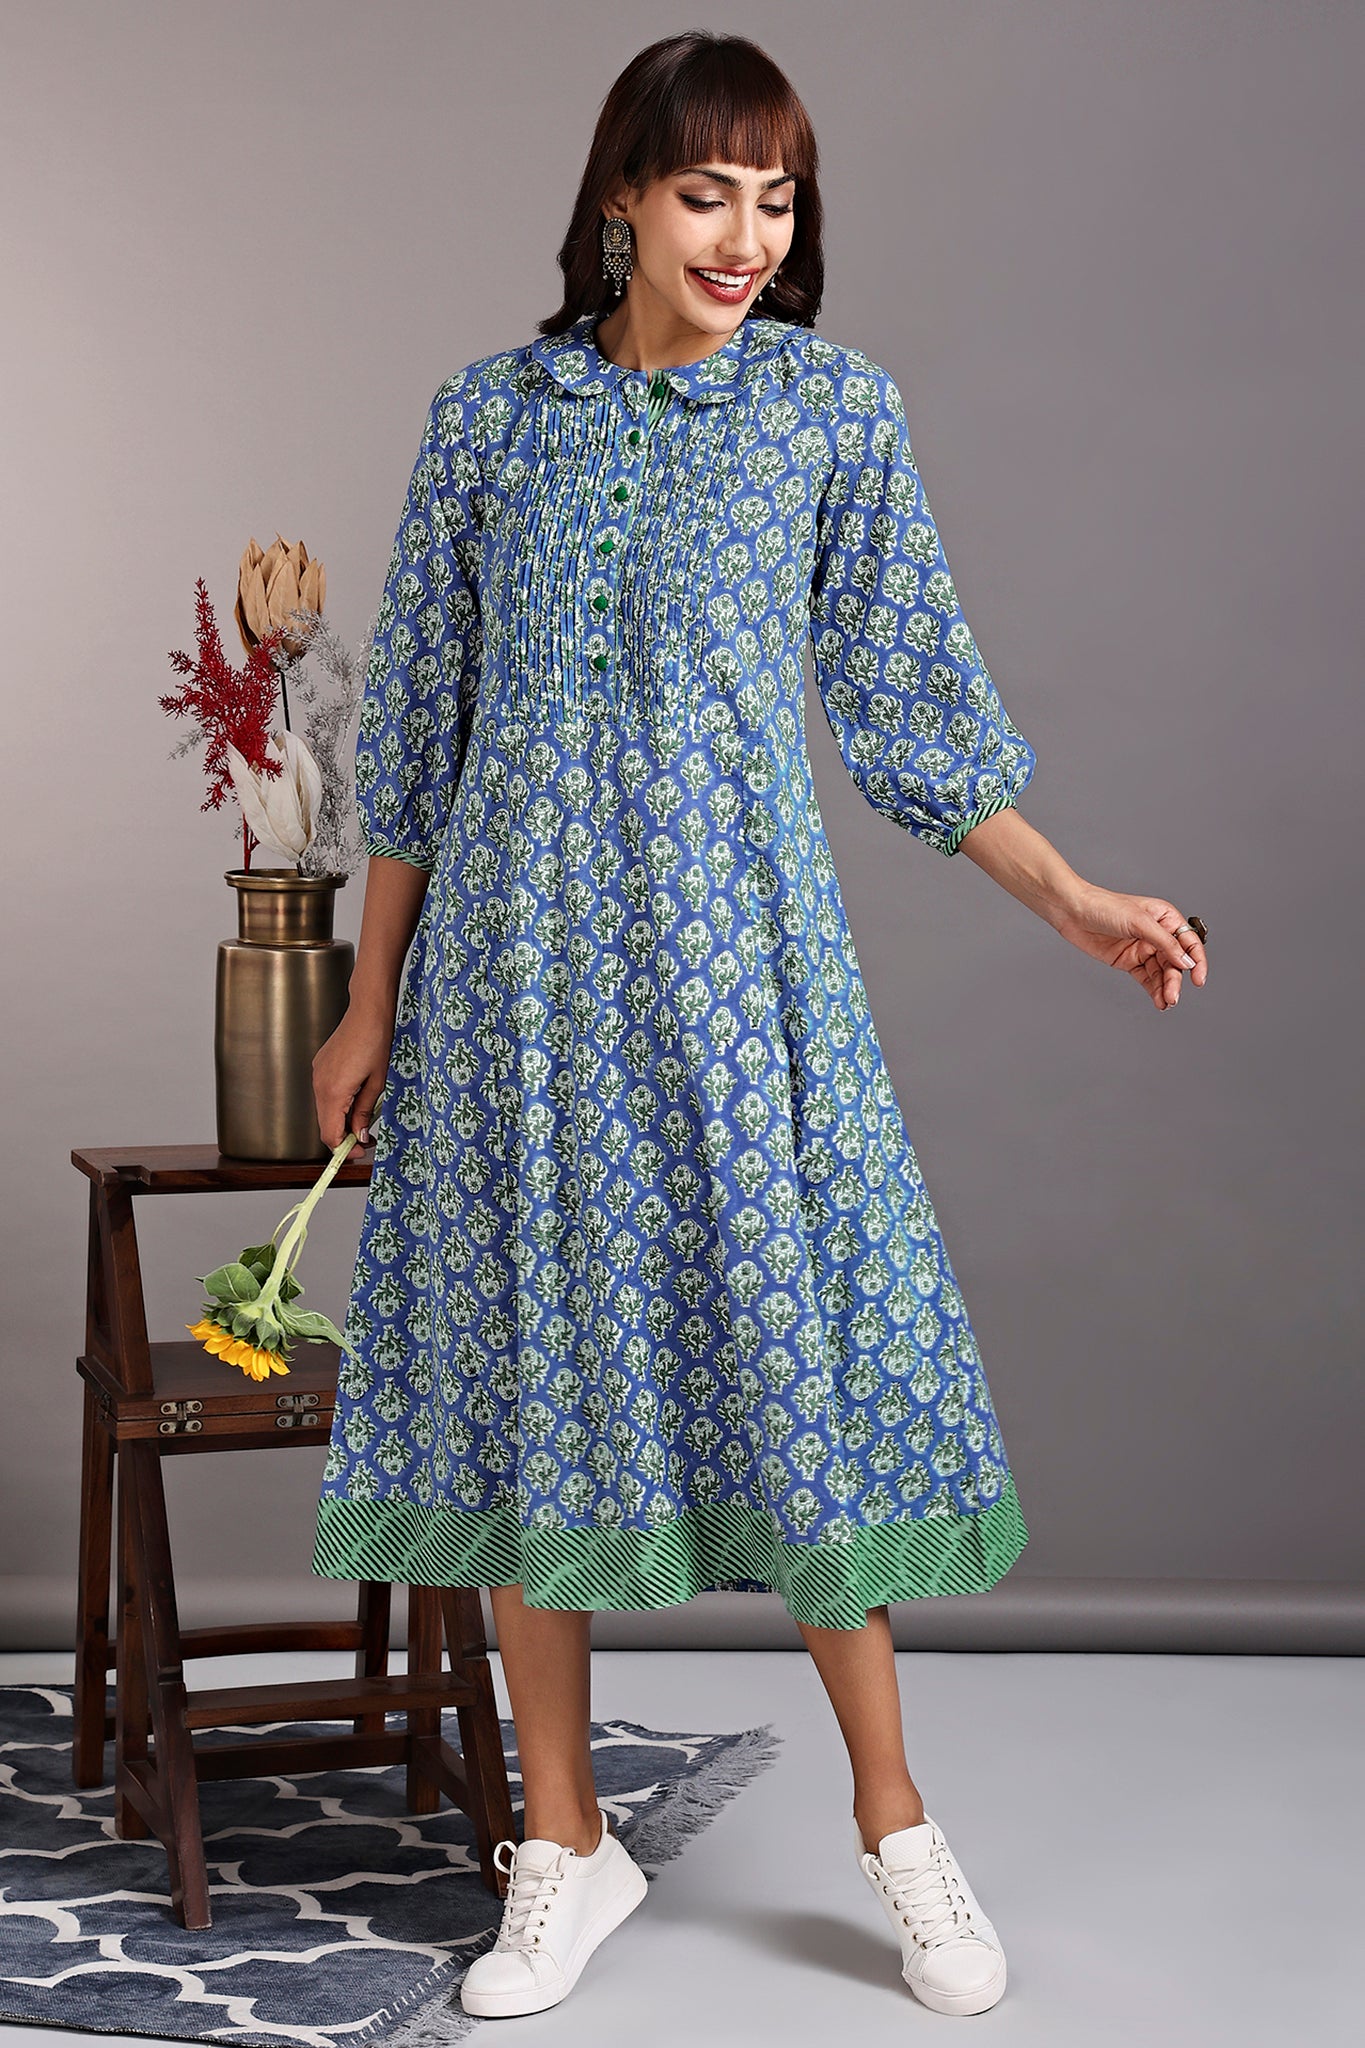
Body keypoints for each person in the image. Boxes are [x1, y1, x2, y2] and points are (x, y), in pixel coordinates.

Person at [311, 29, 1208, 2024]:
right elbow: (418, 736)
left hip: (738, 986)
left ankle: (897, 1823)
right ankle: (562, 1843)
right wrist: (371, 1001)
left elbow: (910, 708)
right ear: (619, 199)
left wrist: (1072, 899)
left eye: (775, 198)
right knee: (531, 1382)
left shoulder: (827, 413)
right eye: (706, 191)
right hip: (514, 996)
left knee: (791, 1382)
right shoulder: (490, 418)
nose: (743, 235)